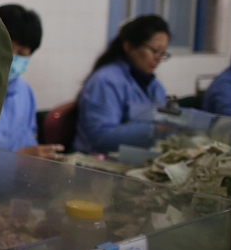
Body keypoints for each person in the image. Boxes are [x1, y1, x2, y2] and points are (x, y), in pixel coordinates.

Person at [73, 15, 170, 154]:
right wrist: (155, 129)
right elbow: (101, 136)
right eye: (154, 50)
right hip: (97, 162)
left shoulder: (155, 86)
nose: (159, 59)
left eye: (163, 53)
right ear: (129, 46)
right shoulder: (106, 81)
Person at [0, 5, 63, 159]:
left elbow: (28, 142)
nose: (12, 57)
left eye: (22, 53)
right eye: (9, 48)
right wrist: (16, 159)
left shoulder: (25, 92)